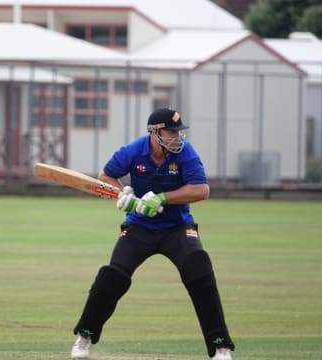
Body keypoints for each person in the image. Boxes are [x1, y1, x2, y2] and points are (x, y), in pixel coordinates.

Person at [70, 108, 235, 360]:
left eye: (179, 132)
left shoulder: (186, 153)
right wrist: (126, 196)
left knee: (198, 267)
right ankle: (85, 336)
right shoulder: (133, 151)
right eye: (171, 132)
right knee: (113, 276)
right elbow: (105, 177)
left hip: (177, 227)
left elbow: (201, 190)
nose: (177, 137)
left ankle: (220, 345)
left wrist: (162, 198)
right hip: (139, 226)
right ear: (154, 132)